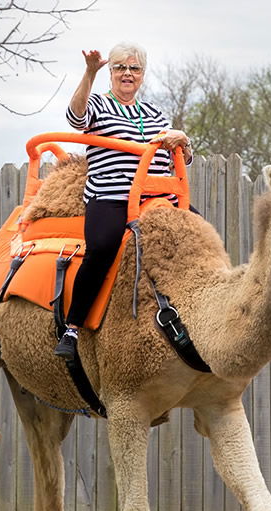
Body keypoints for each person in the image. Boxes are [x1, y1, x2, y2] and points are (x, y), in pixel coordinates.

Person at [54, 42, 193, 360]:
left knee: (201, 237)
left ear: (142, 75)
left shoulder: (154, 112)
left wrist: (182, 141)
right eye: (120, 67)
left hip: (158, 197)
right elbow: (76, 118)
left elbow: (182, 157)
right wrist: (89, 73)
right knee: (102, 246)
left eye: (134, 68)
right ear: (111, 72)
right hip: (112, 195)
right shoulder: (100, 105)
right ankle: (73, 328)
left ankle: (198, 314)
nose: (127, 74)